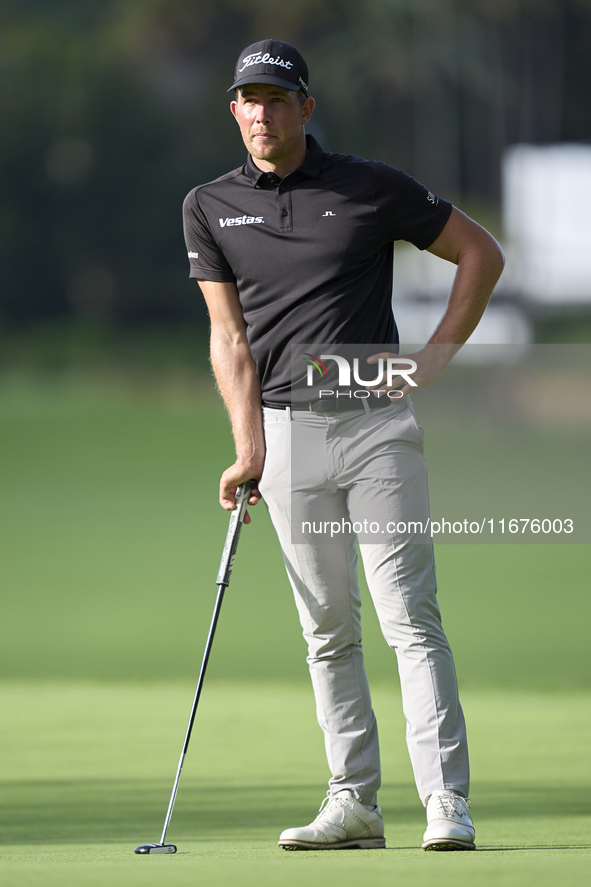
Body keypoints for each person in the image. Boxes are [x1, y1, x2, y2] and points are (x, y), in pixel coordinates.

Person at [183, 38, 504, 851]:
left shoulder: (367, 186)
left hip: (372, 424)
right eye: (248, 100)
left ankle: (446, 803)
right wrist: (246, 445)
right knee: (326, 628)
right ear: (234, 110)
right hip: (286, 434)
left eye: (276, 99)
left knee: (409, 619)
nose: (262, 112)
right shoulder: (209, 205)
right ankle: (353, 801)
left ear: (304, 109)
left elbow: (479, 253)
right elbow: (229, 338)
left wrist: (431, 360)